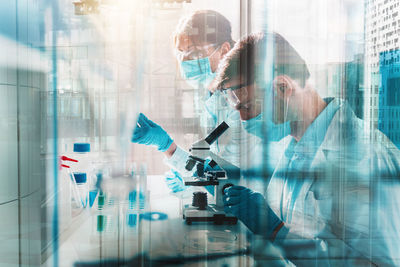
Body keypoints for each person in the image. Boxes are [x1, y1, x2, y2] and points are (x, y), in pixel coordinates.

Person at [212, 32, 400, 265]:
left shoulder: (367, 157)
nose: (243, 118)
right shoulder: (293, 150)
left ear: (282, 87)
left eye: (248, 106)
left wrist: (276, 231)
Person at [132, 10, 263, 192]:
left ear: (224, 50)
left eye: (193, 54)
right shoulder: (207, 90)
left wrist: (170, 149)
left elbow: (231, 180)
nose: (185, 62)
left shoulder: (244, 102)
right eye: (182, 55)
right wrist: (187, 172)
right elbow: (215, 162)